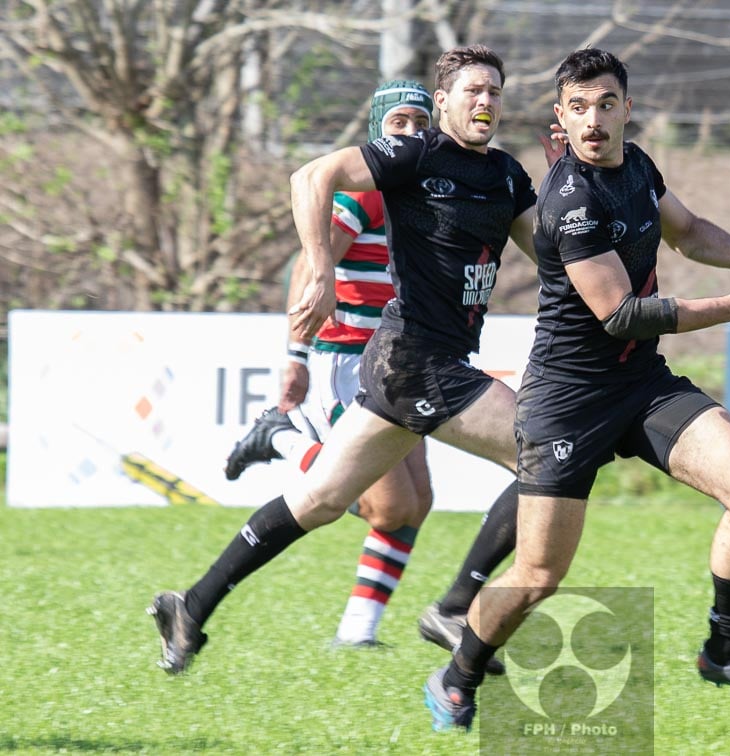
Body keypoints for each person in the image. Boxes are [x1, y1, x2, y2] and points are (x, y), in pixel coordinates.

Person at [423, 48, 730, 732]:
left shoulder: (637, 167)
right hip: (567, 399)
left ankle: (726, 649)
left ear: (628, 110)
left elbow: (688, 234)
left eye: (606, 104)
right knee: (540, 575)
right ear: (561, 118)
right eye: (578, 108)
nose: (594, 120)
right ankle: (457, 673)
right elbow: (621, 314)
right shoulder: (568, 202)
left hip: (641, 385)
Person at [148, 44, 538, 675]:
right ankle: (457, 605)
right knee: (547, 453)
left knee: (324, 499)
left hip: (402, 361)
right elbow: (310, 177)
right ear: (443, 103)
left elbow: (553, 256)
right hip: (417, 360)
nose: (486, 100)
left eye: (495, 90)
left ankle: (190, 605)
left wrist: (579, 186)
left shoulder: (508, 176)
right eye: (472, 90)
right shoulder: (414, 156)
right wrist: (321, 272)